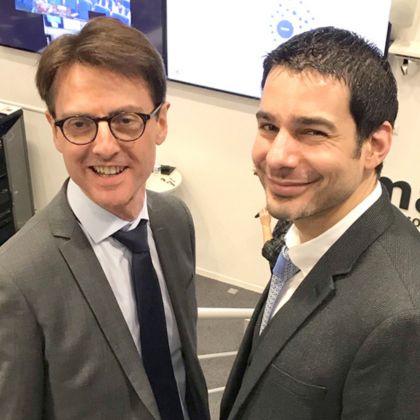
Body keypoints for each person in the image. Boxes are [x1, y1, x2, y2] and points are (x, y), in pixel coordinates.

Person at [0, 17, 209, 420]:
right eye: (80, 124)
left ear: (161, 122)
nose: (105, 146)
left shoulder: (174, 221)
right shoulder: (17, 279)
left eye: (126, 120)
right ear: (55, 130)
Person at [221, 26, 420, 420]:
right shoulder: (302, 229)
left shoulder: (401, 319)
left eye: (311, 132)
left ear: (375, 145)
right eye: (269, 127)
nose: (277, 157)